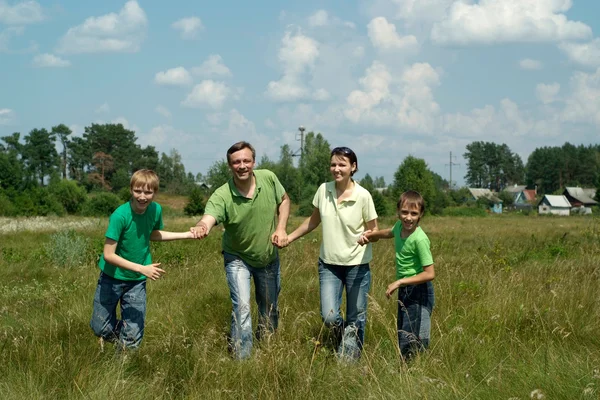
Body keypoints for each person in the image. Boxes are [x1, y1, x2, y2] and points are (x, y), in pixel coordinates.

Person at [191, 141, 290, 360]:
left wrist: (281, 228)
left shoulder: (269, 178)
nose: (242, 165)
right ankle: (242, 359)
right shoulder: (222, 194)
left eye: (246, 160)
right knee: (243, 307)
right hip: (237, 258)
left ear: (254, 162)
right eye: (236, 162)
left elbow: (284, 200)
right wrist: (202, 226)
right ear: (230, 166)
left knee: (269, 308)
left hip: (267, 257)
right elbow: (209, 217)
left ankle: (267, 350)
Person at [286, 146, 378, 361]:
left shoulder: (363, 196)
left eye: (342, 164)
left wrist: (368, 236)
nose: (336, 169)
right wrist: (290, 237)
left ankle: (348, 359)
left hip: (357, 264)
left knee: (356, 317)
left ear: (353, 167)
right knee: (329, 316)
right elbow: (313, 220)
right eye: (333, 164)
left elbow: (374, 228)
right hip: (329, 264)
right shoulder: (323, 190)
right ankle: (343, 336)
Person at [90, 169, 198, 350]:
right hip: (111, 278)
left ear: (155, 193)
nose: (142, 196)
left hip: (136, 283)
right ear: (131, 190)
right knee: (101, 328)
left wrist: (187, 234)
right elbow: (108, 255)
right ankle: (124, 335)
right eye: (138, 191)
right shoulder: (120, 215)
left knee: (132, 335)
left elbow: (153, 234)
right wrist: (142, 268)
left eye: (148, 192)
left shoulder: (155, 210)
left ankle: (122, 367)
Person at [359, 190, 435, 360]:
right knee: (403, 329)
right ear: (398, 212)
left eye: (414, 213)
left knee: (413, 334)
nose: (408, 217)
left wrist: (399, 282)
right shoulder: (399, 227)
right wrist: (370, 235)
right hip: (406, 289)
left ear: (421, 215)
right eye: (404, 212)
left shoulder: (419, 239)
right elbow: (388, 232)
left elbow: (430, 273)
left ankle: (411, 370)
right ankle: (407, 367)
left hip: (419, 291)